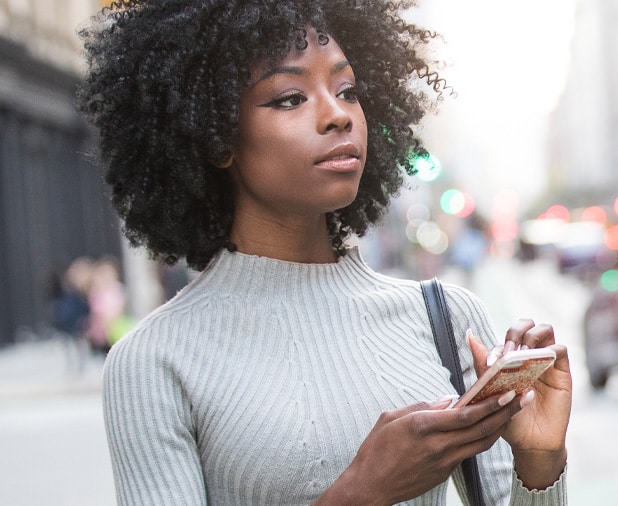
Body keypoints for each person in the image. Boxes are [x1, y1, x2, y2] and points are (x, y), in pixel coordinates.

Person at [76, 1, 571, 504]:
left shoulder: (444, 317)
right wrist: (364, 490)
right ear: (216, 135)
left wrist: (540, 459)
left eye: (347, 91)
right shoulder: (154, 361)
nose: (337, 115)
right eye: (290, 98)